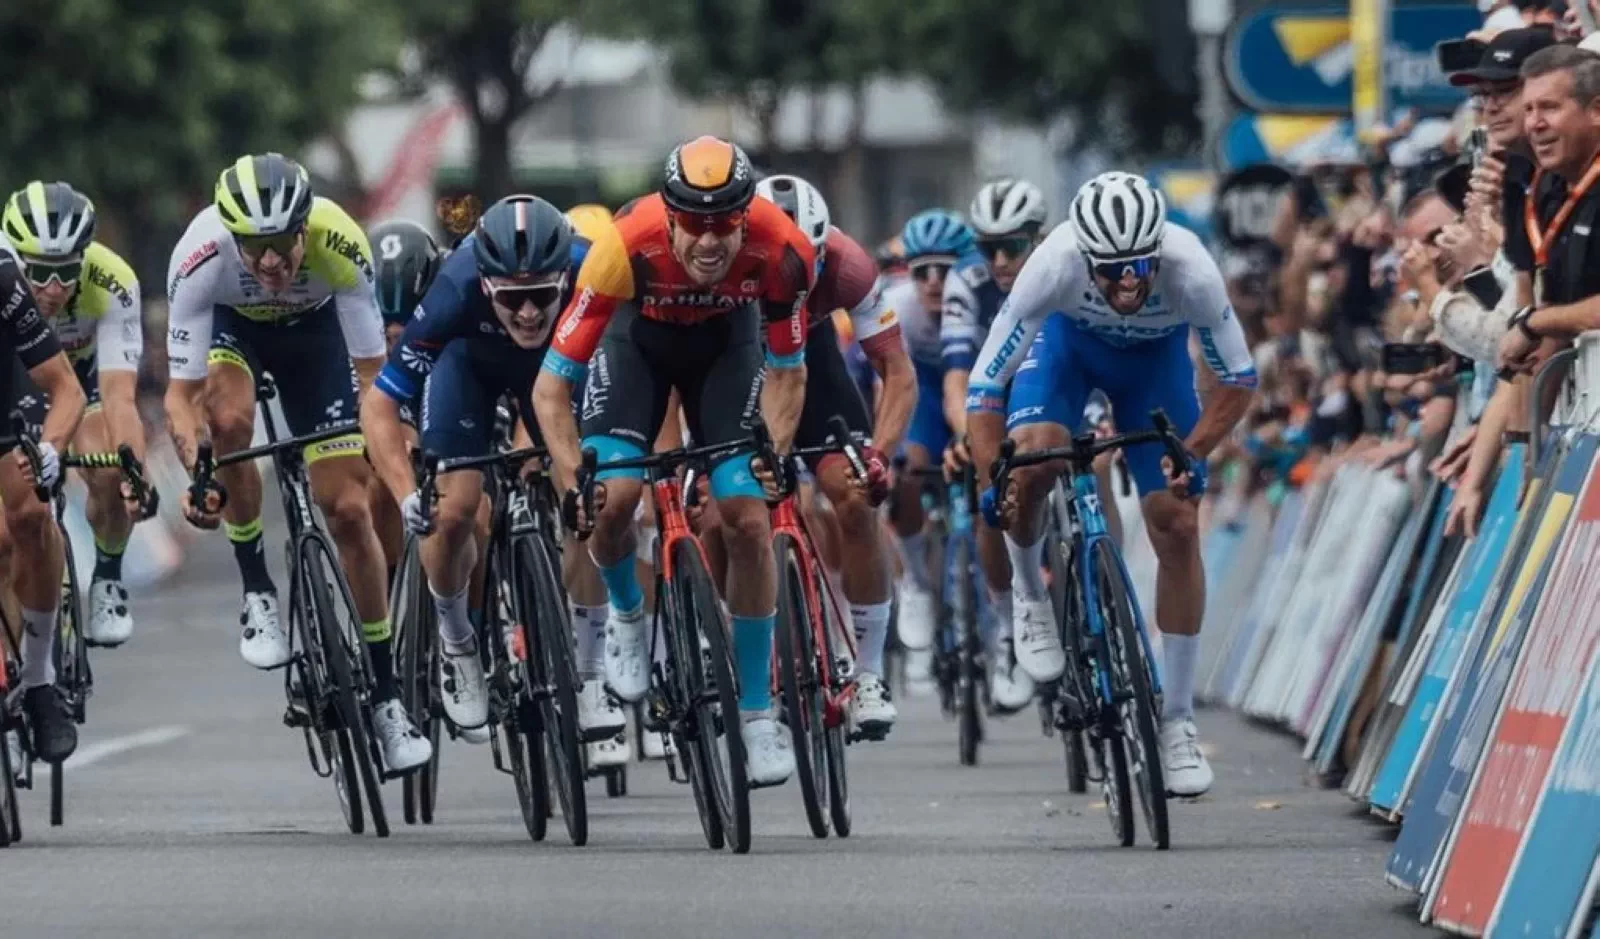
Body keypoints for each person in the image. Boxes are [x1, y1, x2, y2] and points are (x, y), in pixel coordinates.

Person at [532, 135, 815, 786]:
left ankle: (755, 713)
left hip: (727, 348)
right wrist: (574, 472)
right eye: (693, 224)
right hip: (638, 347)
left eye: (725, 225)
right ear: (669, 214)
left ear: (748, 215)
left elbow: (788, 375)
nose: (710, 243)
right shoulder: (621, 247)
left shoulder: (784, 252)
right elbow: (550, 387)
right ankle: (629, 614)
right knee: (616, 497)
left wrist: (770, 452)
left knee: (746, 511)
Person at [966, 172, 1259, 797]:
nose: (1128, 282)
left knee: (1177, 522)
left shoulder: (1193, 272)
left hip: (1154, 367)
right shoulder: (1051, 268)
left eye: (1139, 267)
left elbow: (1238, 378)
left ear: (1158, 253)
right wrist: (995, 473)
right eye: (1111, 270)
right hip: (1069, 352)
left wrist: (1195, 451)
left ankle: (1176, 721)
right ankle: (1031, 598)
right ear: (1084, 258)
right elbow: (986, 386)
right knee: (1034, 459)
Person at [165, 153, 430, 774]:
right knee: (228, 421)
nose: (271, 262)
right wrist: (199, 468)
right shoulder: (200, 257)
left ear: (305, 227)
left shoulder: (341, 242)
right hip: (234, 334)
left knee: (347, 508)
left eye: (283, 242)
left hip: (319, 340)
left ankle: (387, 696)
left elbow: (373, 380)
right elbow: (179, 398)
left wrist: (386, 448)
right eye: (254, 247)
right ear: (233, 238)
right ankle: (256, 587)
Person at [363, 194, 619, 751]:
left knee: (590, 501)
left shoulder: (593, 269)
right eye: (511, 298)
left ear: (562, 278)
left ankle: (593, 671)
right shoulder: (453, 288)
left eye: (538, 296)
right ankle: (459, 646)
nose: (527, 312)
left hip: (558, 364)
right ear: (485, 286)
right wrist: (408, 494)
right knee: (453, 511)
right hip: (467, 366)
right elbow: (380, 405)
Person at [755, 174, 915, 740]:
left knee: (853, 493)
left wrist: (880, 455)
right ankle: (729, 651)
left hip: (815, 368)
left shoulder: (850, 268)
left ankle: (868, 673)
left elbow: (897, 373)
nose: (795, 274)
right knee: (720, 506)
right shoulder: (722, 264)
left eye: (809, 260)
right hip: (741, 364)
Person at [0, 182, 148, 648]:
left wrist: (132, 470)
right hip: (16, 381)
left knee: (102, 465)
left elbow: (119, 396)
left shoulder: (113, 281)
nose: (53, 287)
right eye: (39, 272)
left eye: (66, 271)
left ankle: (107, 575)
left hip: (83, 382)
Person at [941, 178, 1052, 712]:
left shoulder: (1061, 269)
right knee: (995, 499)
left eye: (1014, 245)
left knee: (1094, 467)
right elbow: (956, 379)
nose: (1001, 259)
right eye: (990, 248)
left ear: (1039, 238)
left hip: (1054, 383)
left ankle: (1104, 584)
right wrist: (969, 433)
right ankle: (1010, 629)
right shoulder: (967, 281)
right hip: (990, 394)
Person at [0, 243, 87, 763]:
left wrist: (52, 450)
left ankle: (37, 679)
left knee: (26, 517)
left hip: (3, 397)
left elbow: (66, 389)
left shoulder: (5, 278)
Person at [884, 209, 975, 667]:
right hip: (923, 394)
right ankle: (917, 580)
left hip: (975, 391)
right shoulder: (898, 308)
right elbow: (883, 383)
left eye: (948, 270)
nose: (935, 282)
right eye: (923, 272)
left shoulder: (984, 298)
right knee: (906, 475)